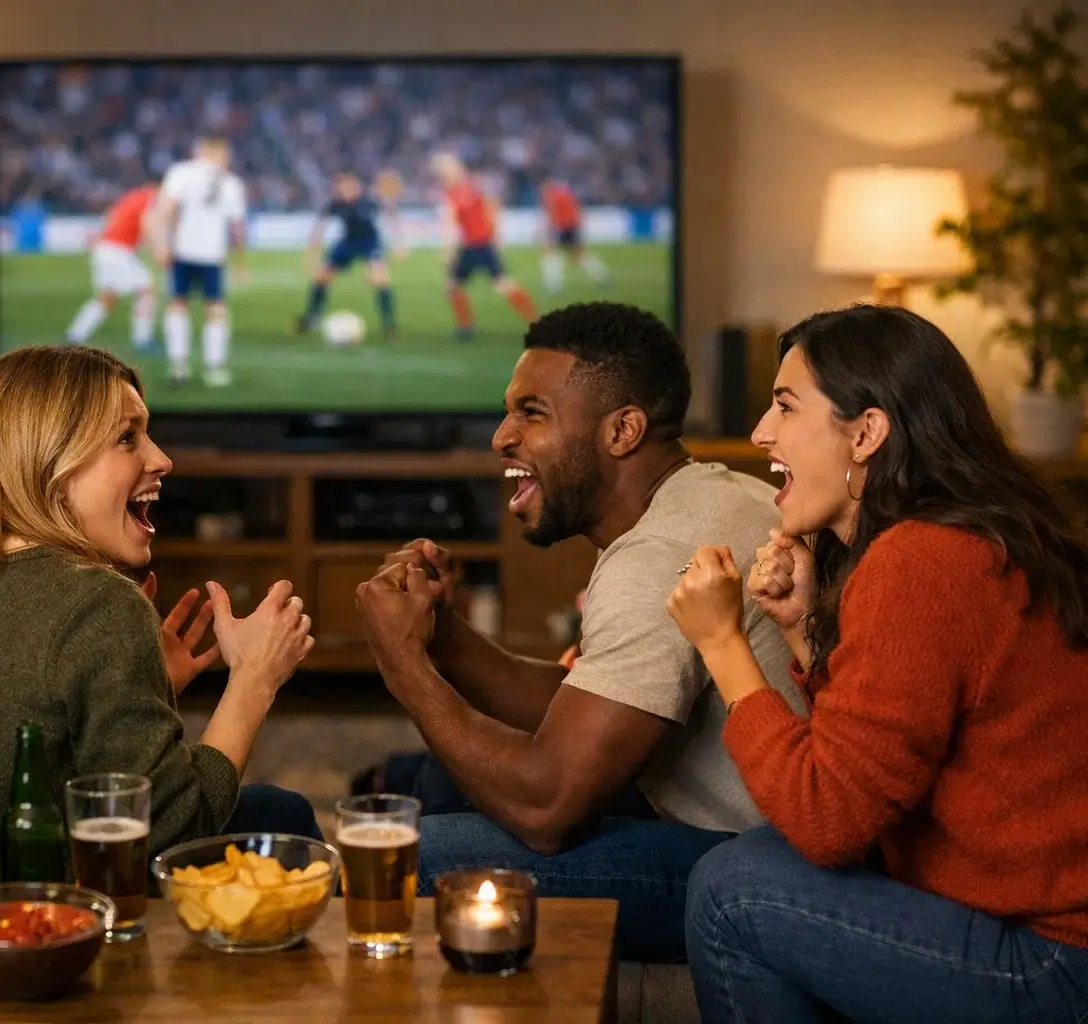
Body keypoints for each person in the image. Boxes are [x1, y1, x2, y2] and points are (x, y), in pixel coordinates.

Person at [669, 304, 1088, 1023]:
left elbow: (830, 819)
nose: (762, 433)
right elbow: (876, 762)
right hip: (1034, 924)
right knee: (751, 864)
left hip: (1053, 958)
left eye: (784, 406)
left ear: (865, 433)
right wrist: (803, 631)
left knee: (732, 891)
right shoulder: (954, 538)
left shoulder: (921, 561)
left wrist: (723, 644)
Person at [354, 302, 804, 963]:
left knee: (395, 860)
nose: (501, 437)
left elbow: (545, 808)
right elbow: (588, 707)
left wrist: (403, 668)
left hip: (764, 873)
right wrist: (439, 636)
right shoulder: (708, 496)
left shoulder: (659, 553)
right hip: (769, 839)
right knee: (430, 785)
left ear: (622, 430)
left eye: (532, 414)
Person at [0, 346, 321, 882]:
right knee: (282, 813)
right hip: (12, 918)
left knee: (273, 808)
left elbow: (3, 727)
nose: (161, 459)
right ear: (49, 463)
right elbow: (167, 834)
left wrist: (144, 686)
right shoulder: (99, 603)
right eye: (127, 438)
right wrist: (254, 679)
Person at [149, 136, 247, 387]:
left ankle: (178, 367)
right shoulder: (231, 182)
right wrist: (240, 262)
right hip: (212, 255)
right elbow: (236, 227)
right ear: (218, 152)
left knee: (177, 305)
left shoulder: (181, 173)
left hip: (182, 250)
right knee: (215, 310)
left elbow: (166, 210)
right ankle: (214, 369)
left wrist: (162, 244)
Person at [429, 153, 538, 341]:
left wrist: (447, 251)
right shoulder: (472, 186)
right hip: (472, 245)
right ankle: (466, 327)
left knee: (501, 285)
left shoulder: (458, 192)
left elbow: (449, 222)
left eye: (443, 172)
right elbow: (493, 207)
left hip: (479, 245)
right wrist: (497, 232)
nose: (442, 176)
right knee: (453, 285)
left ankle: (536, 323)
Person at [294, 171, 400, 338]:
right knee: (322, 277)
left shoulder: (368, 202)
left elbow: (389, 213)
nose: (346, 191)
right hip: (348, 242)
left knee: (379, 280)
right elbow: (318, 229)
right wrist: (312, 254)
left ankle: (389, 325)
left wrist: (397, 243)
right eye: (341, 187)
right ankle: (311, 317)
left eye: (349, 187)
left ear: (356, 187)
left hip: (369, 242)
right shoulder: (334, 205)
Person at [63, 184, 159, 350]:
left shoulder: (132, 196)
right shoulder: (152, 198)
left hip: (105, 249)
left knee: (106, 297)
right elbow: (147, 224)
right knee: (147, 289)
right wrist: (156, 249)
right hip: (117, 251)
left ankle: (74, 335)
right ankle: (143, 341)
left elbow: (111, 216)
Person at [539, 179, 610, 295]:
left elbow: (554, 215)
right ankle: (602, 275)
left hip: (563, 228)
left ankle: (554, 286)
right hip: (572, 227)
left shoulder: (551, 195)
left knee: (551, 255)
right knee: (579, 256)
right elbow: (576, 210)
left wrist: (549, 233)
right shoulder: (564, 192)